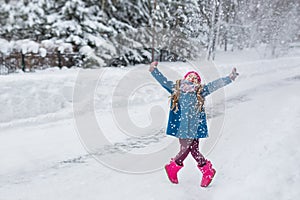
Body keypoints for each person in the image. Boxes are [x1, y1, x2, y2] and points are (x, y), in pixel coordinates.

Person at [149, 61, 239, 187]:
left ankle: (178, 168)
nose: (191, 81)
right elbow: (163, 81)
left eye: (195, 80)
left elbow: (214, 85)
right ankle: (204, 170)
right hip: (182, 129)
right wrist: (154, 70)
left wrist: (229, 78)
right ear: (184, 80)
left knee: (191, 149)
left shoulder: (200, 92)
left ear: (197, 84)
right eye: (189, 79)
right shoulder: (176, 90)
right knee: (189, 149)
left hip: (195, 128)